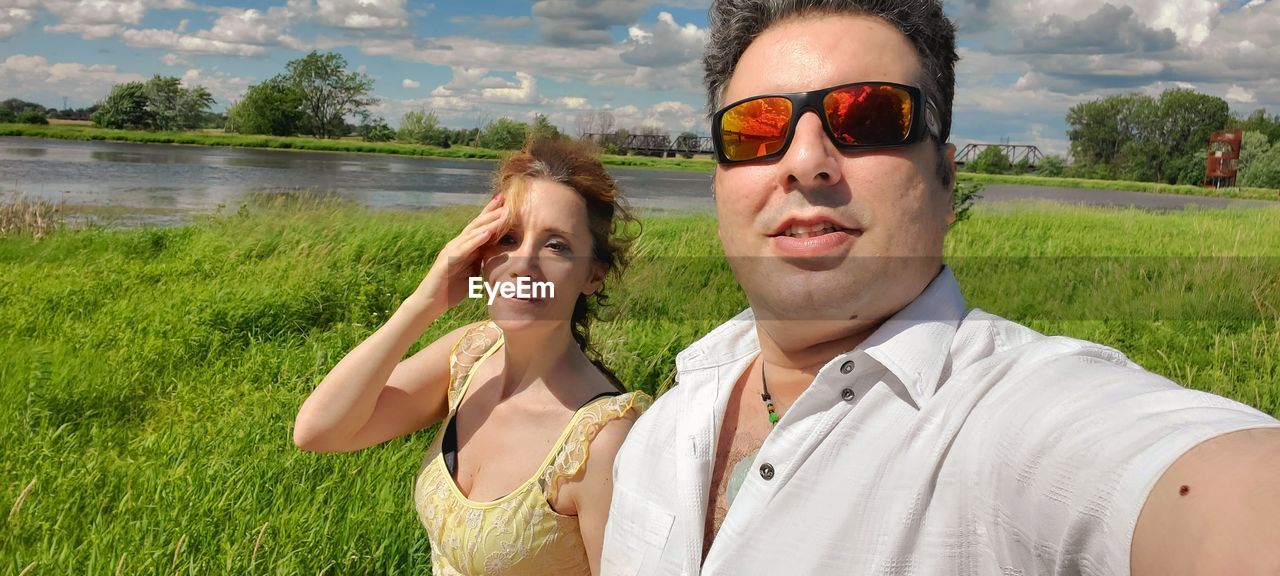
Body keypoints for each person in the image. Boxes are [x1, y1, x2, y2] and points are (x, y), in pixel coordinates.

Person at [601, 1, 1280, 575]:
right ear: (720, 184)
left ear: (946, 182)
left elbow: (1213, 491)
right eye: (758, 130)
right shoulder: (663, 425)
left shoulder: (1013, 416)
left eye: (869, 117)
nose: (806, 163)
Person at [294, 137, 651, 576]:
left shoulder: (603, 441)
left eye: (556, 245)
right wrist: (424, 302)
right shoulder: (470, 355)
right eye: (508, 237)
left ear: (592, 275)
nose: (522, 264)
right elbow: (319, 431)